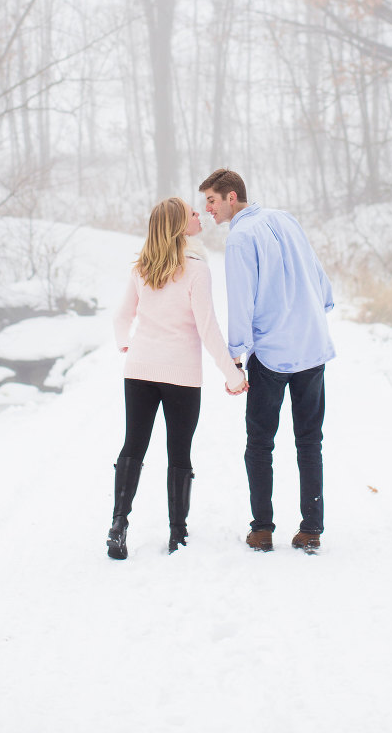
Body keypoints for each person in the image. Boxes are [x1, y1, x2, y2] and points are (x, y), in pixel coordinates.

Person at [199, 168, 335, 554]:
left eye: (211, 200)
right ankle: (311, 529)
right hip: (310, 346)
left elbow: (241, 300)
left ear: (231, 197)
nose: (207, 209)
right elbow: (315, 269)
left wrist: (235, 357)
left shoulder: (240, 238)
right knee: (310, 441)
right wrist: (320, 304)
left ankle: (262, 529)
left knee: (260, 443)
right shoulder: (283, 218)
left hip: (273, 355)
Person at [108, 196, 247, 560]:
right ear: (179, 226)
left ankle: (118, 525)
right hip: (181, 375)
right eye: (192, 213)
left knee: (133, 447)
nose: (199, 215)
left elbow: (121, 317)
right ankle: (177, 534)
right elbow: (207, 327)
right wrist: (232, 375)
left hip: (139, 370)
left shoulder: (144, 266)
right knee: (179, 452)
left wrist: (126, 344)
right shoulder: (196, 267)